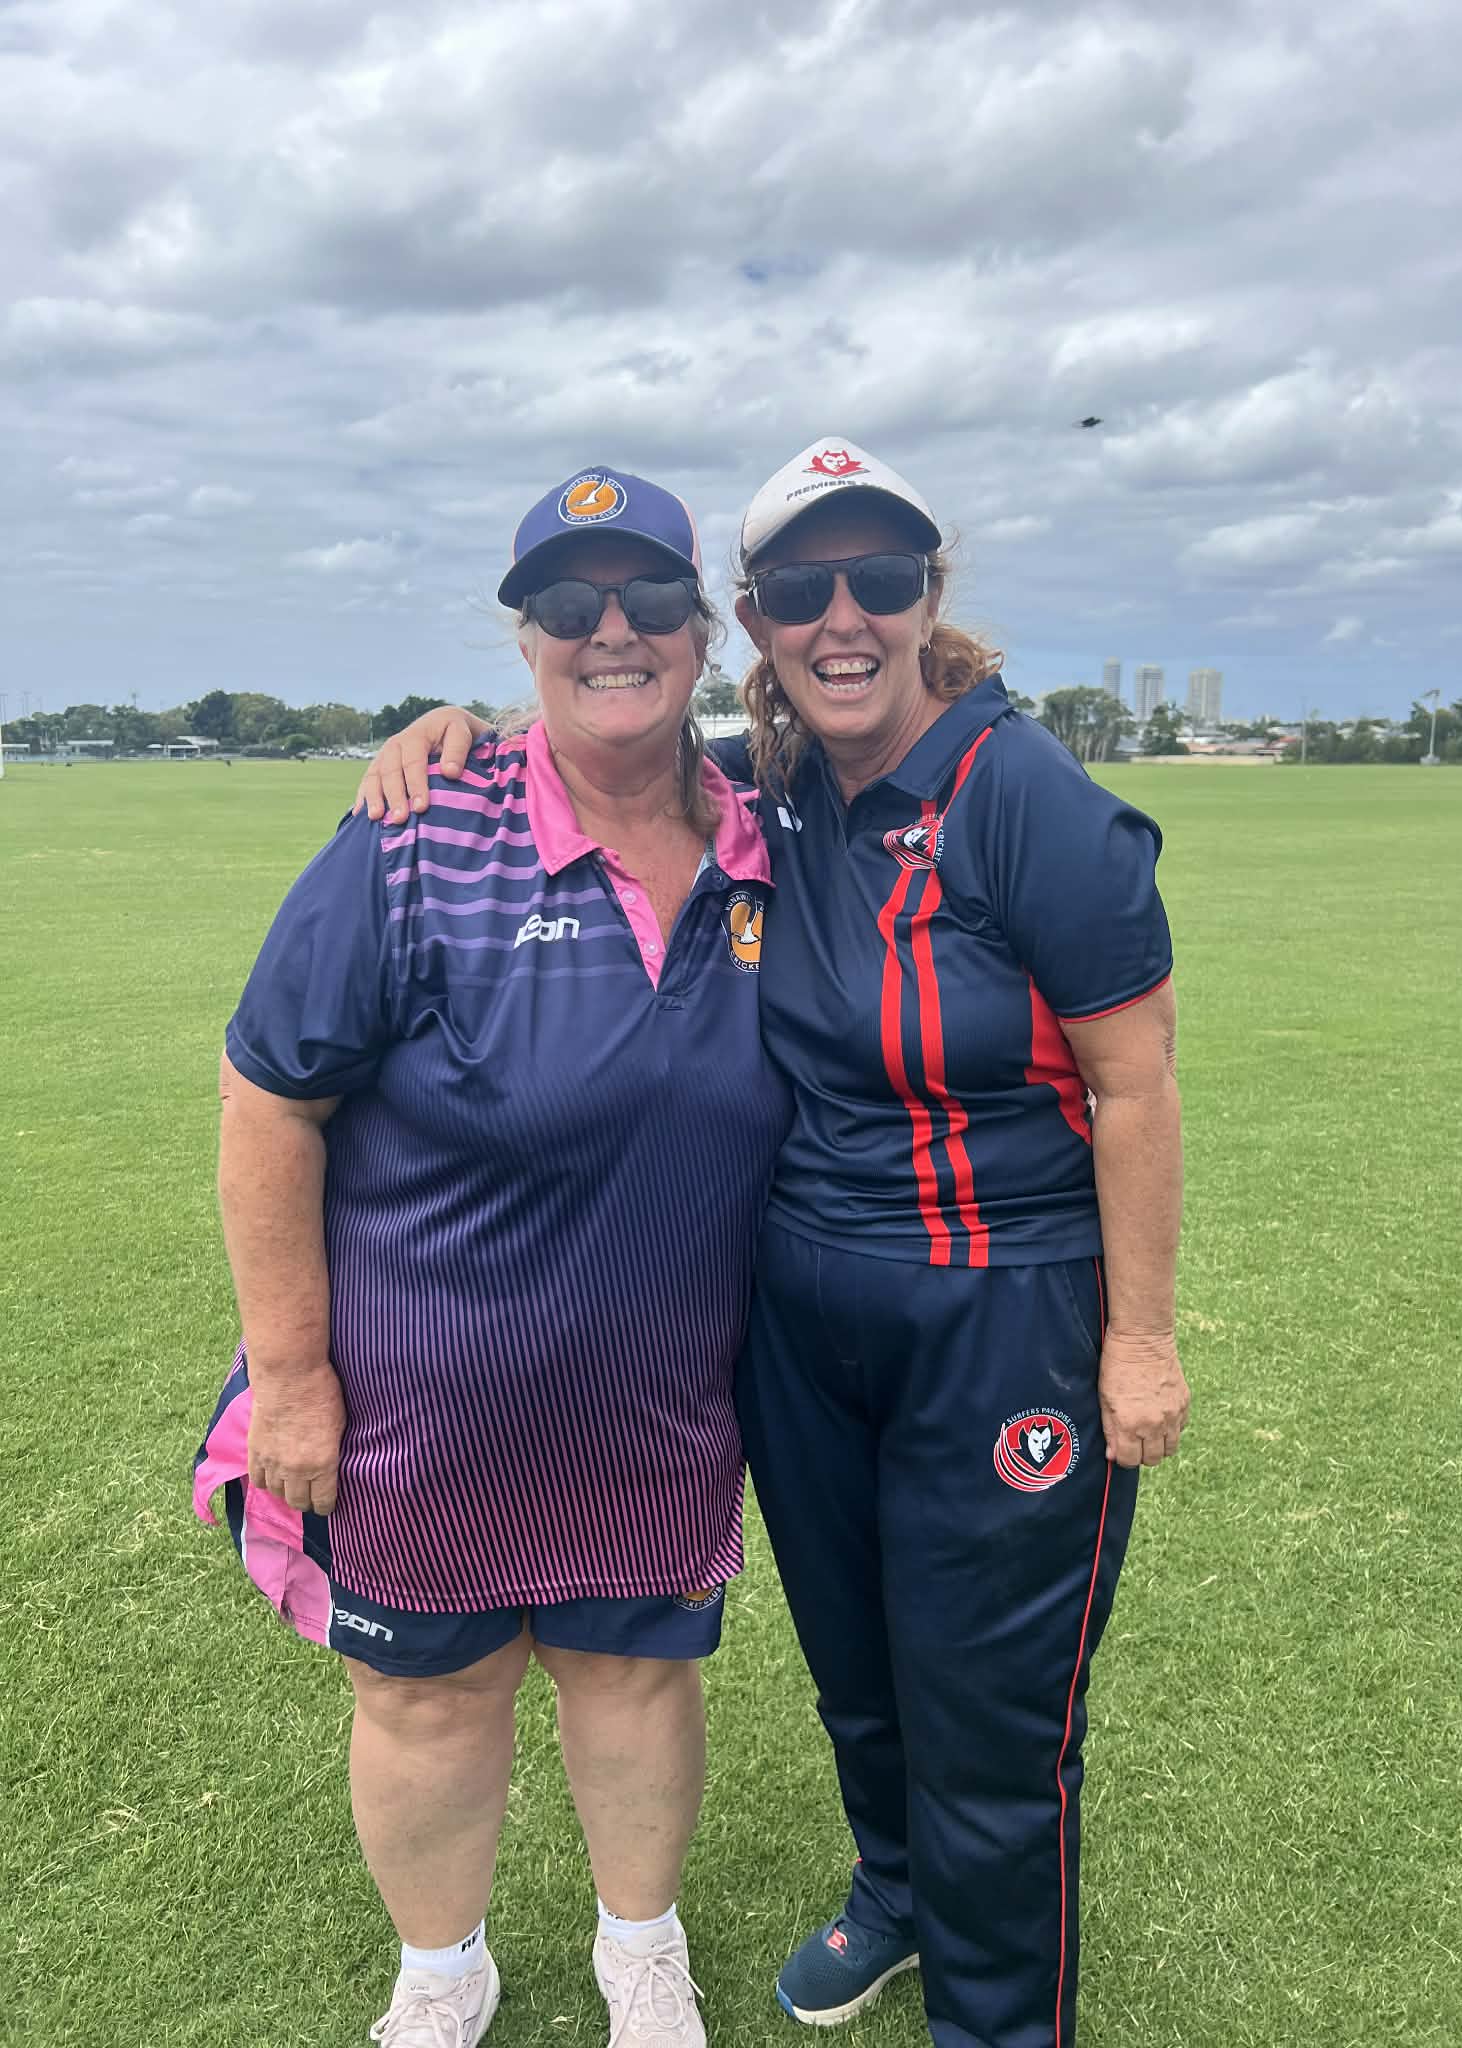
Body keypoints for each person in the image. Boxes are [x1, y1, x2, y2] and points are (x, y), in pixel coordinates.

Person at [360, 438, 1189, 2048]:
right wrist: (458, 734)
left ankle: (997, 2019)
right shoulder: (775, 779)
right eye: (804, 588)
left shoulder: (1029, 799)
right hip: (802, 1311)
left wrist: (1141, 1341)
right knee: (859, 1668)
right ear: (755, 621)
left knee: (990, 1714)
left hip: (998, 1309)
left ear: (928, 597)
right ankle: (899, 1891)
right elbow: (608, 734)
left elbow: (1136, 1086)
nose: (842, 616)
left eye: (880, 578)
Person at [195, 466, 792, 2048]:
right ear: (524, 640)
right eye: (569, 605)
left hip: (661, 1397)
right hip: (420, 1404)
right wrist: (290, 1378)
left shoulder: (768, 833)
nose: (613, 632)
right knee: (426, 1698)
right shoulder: (413, 833)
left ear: (704, 633)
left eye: (649, 600)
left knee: (635, 1678)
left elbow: (898, 724)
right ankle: (442, 1972)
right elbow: (269, 1101)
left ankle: (640, 1953)